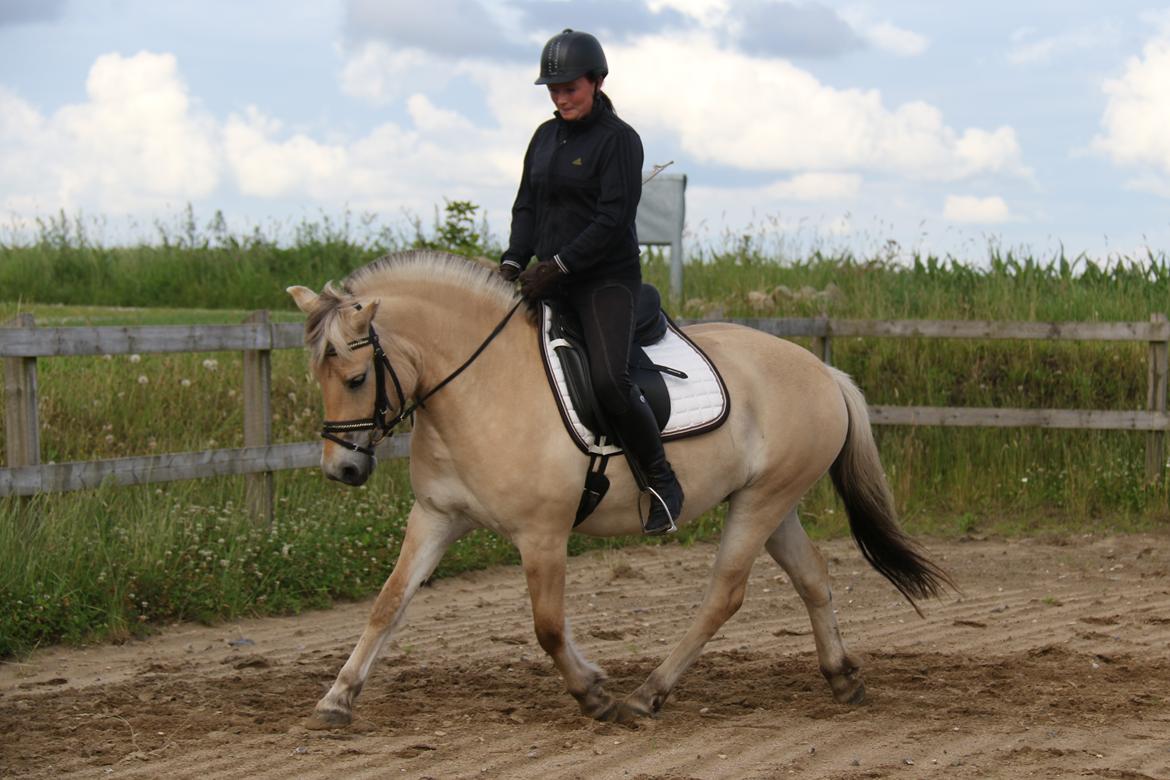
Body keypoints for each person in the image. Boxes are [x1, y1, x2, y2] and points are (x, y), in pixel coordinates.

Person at [499, 28, 684, 535]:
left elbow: (612, 219)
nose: (560, 99)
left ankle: (661, 481)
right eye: (553, 91)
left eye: (570, 89)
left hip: (605, 281)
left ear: (597, 82)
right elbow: (527, 206)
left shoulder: (620, 141)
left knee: (608, 379)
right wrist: (514, 261)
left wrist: (557, 265)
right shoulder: (542, 137)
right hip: (546, 279)